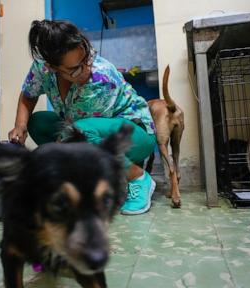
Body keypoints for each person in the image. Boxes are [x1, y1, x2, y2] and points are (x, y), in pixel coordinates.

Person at [8, 20, 156, 215]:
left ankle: (138, 177)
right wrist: (20, 125)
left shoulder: (101, 78)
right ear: (52, 67)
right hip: (84, 129)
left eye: (86, 58)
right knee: (38, 122)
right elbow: (29, 94)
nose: (86, 69)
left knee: (79, 133)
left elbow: (80, 139)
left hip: (135, 135)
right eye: (75, 69)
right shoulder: (42, 68)